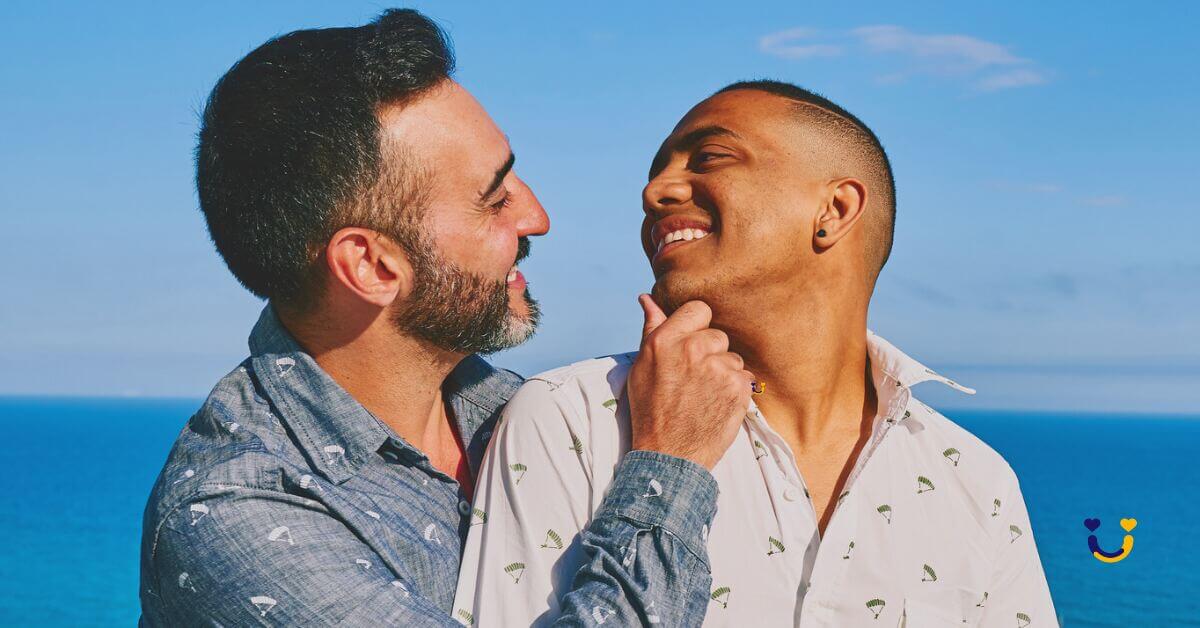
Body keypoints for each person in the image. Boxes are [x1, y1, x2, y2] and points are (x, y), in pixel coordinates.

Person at [139, 10, 752, 625]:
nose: (537, 218)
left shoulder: (531, 410)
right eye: (495, 200)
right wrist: (670, 465)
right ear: (372, 266)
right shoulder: (239, 516)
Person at [455, 81, 1058, 626]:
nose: (654, 191)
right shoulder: (570, 419)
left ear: (834, 211)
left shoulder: (975, 483)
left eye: (709, 157)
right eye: (658, 171)